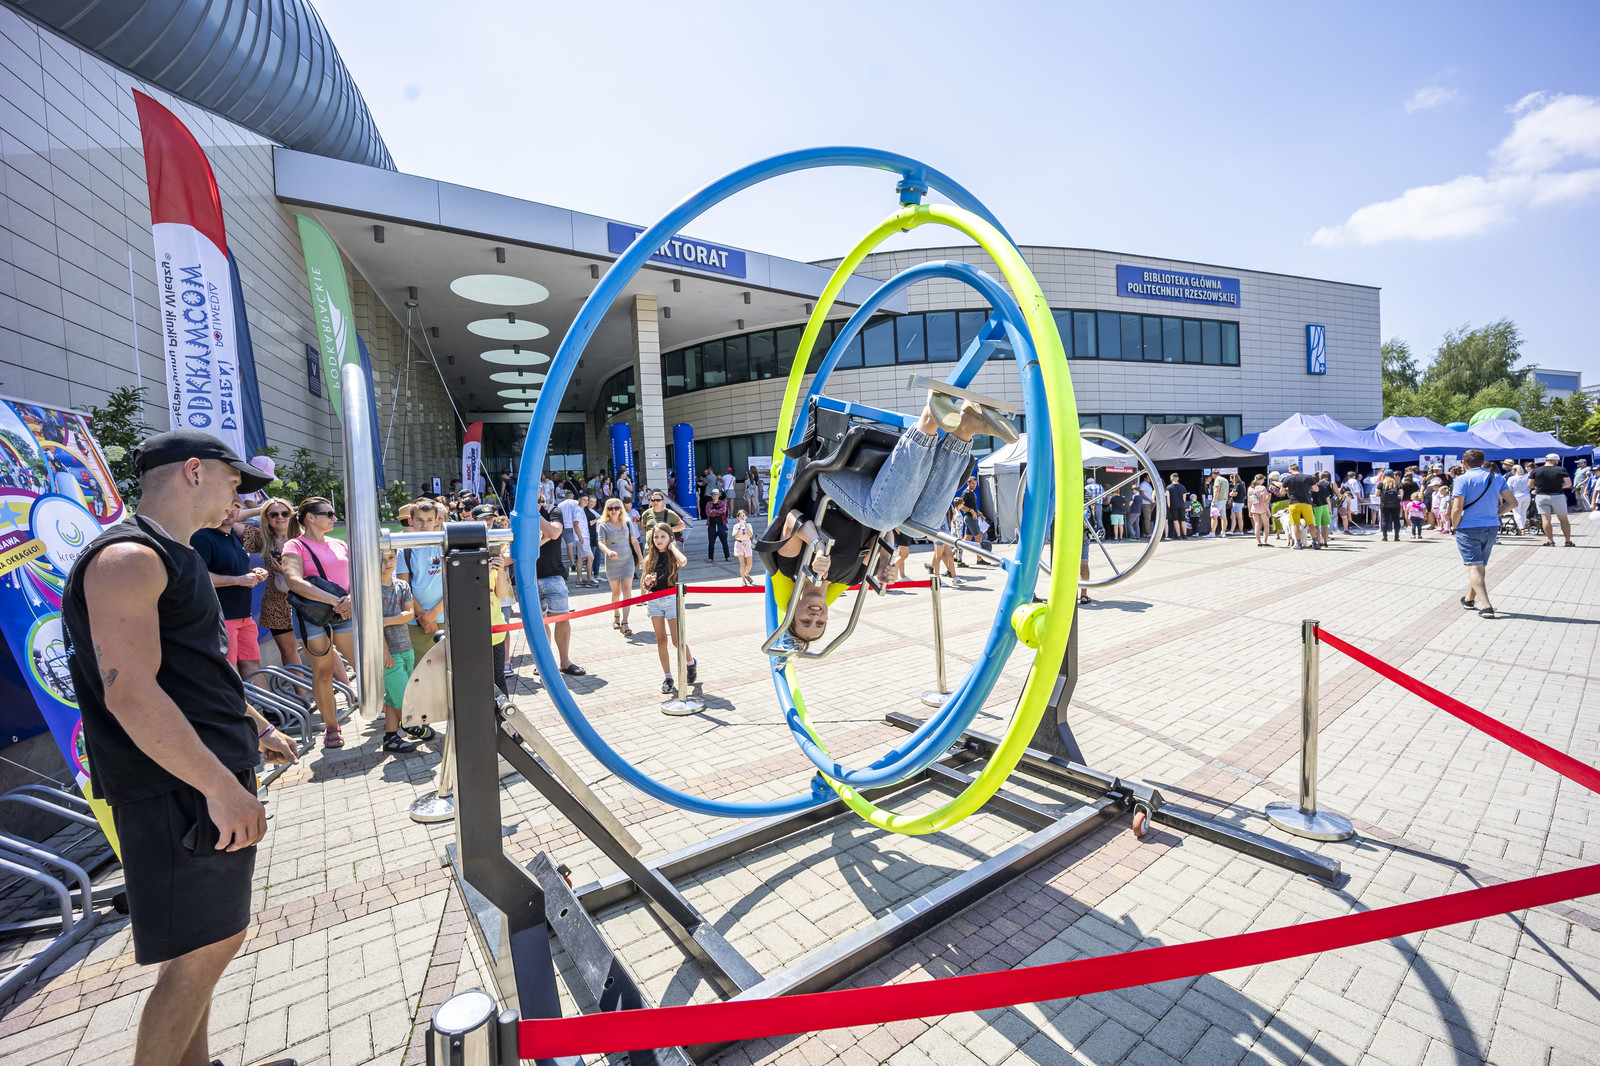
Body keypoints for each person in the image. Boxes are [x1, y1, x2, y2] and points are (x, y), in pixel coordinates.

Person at [61, 430, 297, 1066]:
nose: (240, 500)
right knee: (206, 950)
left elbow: (197, 672)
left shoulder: (176, 554)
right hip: (178, 785)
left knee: (204, 942)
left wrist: (256, 726)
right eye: (233, 482)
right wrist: (219, 786)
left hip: (200, 775)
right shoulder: (129, 558)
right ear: (194, 471)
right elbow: (131, 692)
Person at [765, 393, 1009, 649]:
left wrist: (816, 546)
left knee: (883, 517)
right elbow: (882, 535)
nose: (815, 616)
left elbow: (790, 519)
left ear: (792, 613)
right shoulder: (851, 577)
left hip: (831, 483)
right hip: (874, 500)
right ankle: (965, 428)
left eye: (805, 621)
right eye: (820, 623)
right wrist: (884, 561)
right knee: (922, 526)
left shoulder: (790, 569)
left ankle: (928, 420)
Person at [281, 497, 355, 748]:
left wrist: (351, 599)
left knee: (363, 663)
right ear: (310, 517)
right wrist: (335, 601)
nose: (335, 518)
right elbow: (293, 581)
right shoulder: (294, 545)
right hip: (313, 616)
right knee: (322, 671)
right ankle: (331, 727)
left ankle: (386, 710)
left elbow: (357, 575)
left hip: (345, 612)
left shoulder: (339, 544)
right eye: (329, 514)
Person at [190, 497, 269, 680]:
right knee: (228, 670)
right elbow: (199, 576)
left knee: (253, 666)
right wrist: (239, 580)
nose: (230, 512)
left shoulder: (233, 534)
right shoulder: (201, 537)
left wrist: (253, 573)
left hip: (244, 616)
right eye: (224, 506)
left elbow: (231, 571)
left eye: (235, 507)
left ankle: (265, 702)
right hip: (220, 618)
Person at [1451, 449, 1516, 619]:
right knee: (1479, 566)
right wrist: (1496, 514)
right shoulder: (1497, 477)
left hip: (1468, 527)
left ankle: (1487, 606)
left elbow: (1457, 507)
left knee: (1474, 566)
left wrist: (1454, 525)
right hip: (1491, 526)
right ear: (1482, 462)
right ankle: (1469, 599)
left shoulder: (1462, 479)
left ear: (1464, 463)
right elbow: (1512, 502)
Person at [641, 522, 696, 699]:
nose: (659, 540)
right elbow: (644, 585)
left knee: (677, 640)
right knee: (661, 640)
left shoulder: (673, 555)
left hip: (672, 599)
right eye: (656, 537)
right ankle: (668, 677)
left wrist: (672, 546)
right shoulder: (650, 558)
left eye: (663, 537)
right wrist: (647, 582)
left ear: (670, 538)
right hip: (654, 600)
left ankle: (690, 663)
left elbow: (683, 561)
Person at [376, 551, 421, 753]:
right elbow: (373, 626)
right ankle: (413, 726)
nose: (387, 562)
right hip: (389, 652)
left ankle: (391, 737)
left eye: (391, 558)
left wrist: (385, 621)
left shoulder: (402, 585)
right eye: (382, 559)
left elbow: (409, 614)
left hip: (406, 648)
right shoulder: (372, 589)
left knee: (392, 698)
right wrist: (385, 652)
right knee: (403, 697)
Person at [535, 500, 586, 676]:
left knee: (562, 618)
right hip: (529, 577)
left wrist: (535, 513)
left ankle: (565, 662)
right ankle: (544, 663)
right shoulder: (518, 513)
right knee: (539, 622)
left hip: (554, 574)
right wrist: (544, 538)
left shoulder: (552, 510)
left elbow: (554, 533)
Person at [398, 499, 446, 662]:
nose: (424, 525)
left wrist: (434, 614)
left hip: (444, 617)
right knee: (420, 667)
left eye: (429, 520)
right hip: (416, 621)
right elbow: (403, 587)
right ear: (410, 520)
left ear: (436, 520)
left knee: (446, 666)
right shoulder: (404, 549)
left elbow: (453, 583)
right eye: (419, 520)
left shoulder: (445, 546)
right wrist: (423, 617)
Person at [596, 497, 644, 634]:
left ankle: (625, 622)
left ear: (621, 509)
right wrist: (608, 551)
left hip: (627, 560)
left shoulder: (627, 523)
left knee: (627, 589)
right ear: (607, 510)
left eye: (616, 508)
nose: (613, 510)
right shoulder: (603, 525)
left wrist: (640, 558)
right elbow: (600, 543)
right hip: (612, 562)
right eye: (610, 508)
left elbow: (634, 541)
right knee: (616, 592)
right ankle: (616, 615)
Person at [1530, 453, 1575, 547]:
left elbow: (1530, 485)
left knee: (1545, 519)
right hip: (1557, 496)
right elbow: (1568, 484)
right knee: (1563, 519)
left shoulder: (1536, 470)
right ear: (1555, 460)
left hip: (1541, 496)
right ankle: (1568, 541)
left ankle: (1550, 541)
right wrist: (1559, 486)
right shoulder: (1561, 469)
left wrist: (1540, 486)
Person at [1280, 464, 1317, 549]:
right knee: (1311, 524)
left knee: (1295, 525)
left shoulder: (1287, 478)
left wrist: (1288, 489)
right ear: (1299, 469)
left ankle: (1299, 544)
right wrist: (1307, 488)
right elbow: (1316, 489)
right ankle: (1315, 543)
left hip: (1294, 504)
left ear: (1290, 471)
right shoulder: (1308, 477)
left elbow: (1282, 492)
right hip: (1306, 504)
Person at [557, 490, 586, 576]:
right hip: (576, 525)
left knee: (569, 545)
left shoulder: (560, 505)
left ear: (565, 496)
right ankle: (578, 558)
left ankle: (572, 563)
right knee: (579, 542)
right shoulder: (577, 503)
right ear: (572, 496)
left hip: (566, 525)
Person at [705, 487, 731, 560]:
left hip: (721, 525)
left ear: (718, 495)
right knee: (711, 543)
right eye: (713, 494)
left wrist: (713, 511)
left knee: (724, 542)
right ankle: (710, 558)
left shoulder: (722, 503)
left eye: (716, 494)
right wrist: (718, 511)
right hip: (712, 525)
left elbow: (723, 511)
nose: (714, 496)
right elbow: (708, 513)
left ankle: (727, 556)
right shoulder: (708, 503)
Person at [732, 509, 756, 585]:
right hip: (739, 544)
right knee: (742, 563)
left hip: (747, 543)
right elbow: (735, 536)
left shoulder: (749, 525)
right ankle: (743, 580)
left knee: (749, 563)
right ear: (738, 518)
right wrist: (739, 528)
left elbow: (750, 535)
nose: (742, 517)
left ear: (746, 517)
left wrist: (745, 525)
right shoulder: (736, 526)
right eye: (740, 516)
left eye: (743, 515)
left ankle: (746, 574)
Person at [1247, 474, 1272, 546]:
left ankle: (1259, 542)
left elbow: (1249, 501)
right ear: (1260, 480)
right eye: (1263, 480)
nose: (1263, 481)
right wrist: (1268, 510)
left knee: (1257, 525)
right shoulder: (1262, 488)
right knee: (1266, 525)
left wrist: (1249, 510)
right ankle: (1265, 542)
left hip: (1254, 508)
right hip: (1262, 508)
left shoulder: (1250, 488)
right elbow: (1264, 501)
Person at [1165, 473, 1186, 540]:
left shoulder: (1168, 487)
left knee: (1175, 520)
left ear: (1171, 479)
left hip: (1173, 505)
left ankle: (1178, 535)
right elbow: (1184, 498)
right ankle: (1185, 535)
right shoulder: (1182, 487)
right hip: (1182, 505)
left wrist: (1168, 507)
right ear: (1178, 478)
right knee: (1183, 520)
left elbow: (1168, 499)